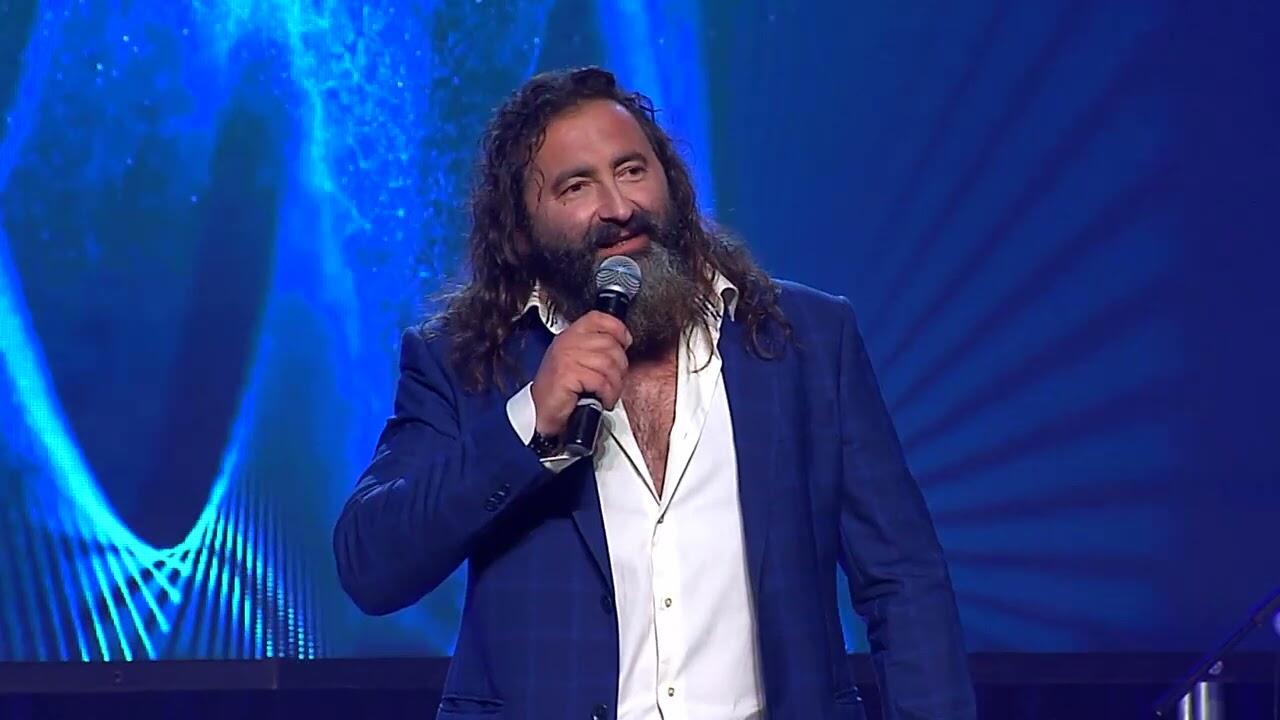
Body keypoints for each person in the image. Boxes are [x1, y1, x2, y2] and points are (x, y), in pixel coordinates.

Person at [333, 66, 976, 720]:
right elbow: (371, 566)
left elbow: (903, 581)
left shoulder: (807, 340)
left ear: (671, 178)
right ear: (520, 228)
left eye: (632, 170)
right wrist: (527, 421)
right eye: (577, 185)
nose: (618, 207)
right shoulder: (463, 361)